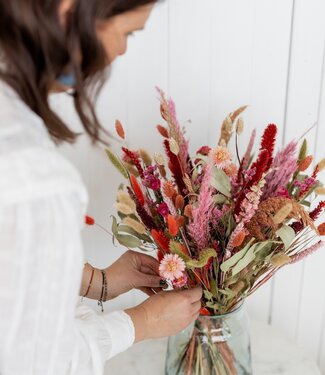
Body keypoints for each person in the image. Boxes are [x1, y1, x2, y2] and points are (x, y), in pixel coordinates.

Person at [0, 1, 203, 374]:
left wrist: (100, 281)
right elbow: (37, 363)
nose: (123, 50)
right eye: (127, 32)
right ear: (69, 10)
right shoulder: (32, 176)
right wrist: (141, 323)